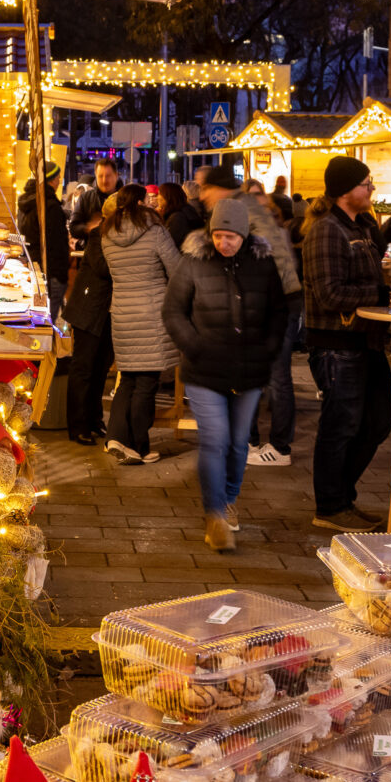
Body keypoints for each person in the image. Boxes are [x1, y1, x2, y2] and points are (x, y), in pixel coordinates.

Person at [165, 196, 288, 551]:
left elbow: (279, 312)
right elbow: (174, 311)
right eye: (218, 236)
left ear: (244, 234)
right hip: (204, 369)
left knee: (238, 443)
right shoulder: (194, 263)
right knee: (215, 439)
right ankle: (215, 514)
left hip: (249, 371)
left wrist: (268, 348)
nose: (224, 243)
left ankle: (229, 497)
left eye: (230, 237)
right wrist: (194, 344)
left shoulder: (263, 265)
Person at [303, 156, 391, 532]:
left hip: (365, 340)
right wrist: (380, 292)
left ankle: (343, 496)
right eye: (365, 183)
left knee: (376, 422)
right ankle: (331, 505)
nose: (371, 189)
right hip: (337, 342)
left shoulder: (362, 227)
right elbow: (329, 294)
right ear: (345, 191)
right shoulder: (327, 230)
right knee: (340, 424)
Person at [99, 185, 181, 464]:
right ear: (141, 202)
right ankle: (138, 447)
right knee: (146, 382)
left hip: (122, 313)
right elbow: (176, 270)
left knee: (128, 379)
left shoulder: (107, 235)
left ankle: (116, 438)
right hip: (152, 314)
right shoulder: (155, 231)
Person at [246, 191, 305, 466]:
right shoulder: (267, 231)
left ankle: (279, 447)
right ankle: (255, 441)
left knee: (276, 378)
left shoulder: (264, 234)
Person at [60, 215, 114, 445]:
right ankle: (78, 425)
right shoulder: (97, 236)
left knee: (101, 368)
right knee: (83, 368)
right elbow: (102, 268)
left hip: (108, 314)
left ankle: (94, 420)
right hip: (88, 311)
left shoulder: (115, 238)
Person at [16, 162, 70, 319]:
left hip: (32, 267)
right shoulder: (50, 206)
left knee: (37, 317)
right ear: (51, 180)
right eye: (58, 177)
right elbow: (57, 245)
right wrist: (61, 276)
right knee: (45, 320)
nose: (59, 181)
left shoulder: (27, 202)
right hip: (50, 274)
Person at [168, 165, 238, 246]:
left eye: (206, 188)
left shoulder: (241, 215)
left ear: (222, 188)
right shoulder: (222, 213)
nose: (202, 197)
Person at [68, 156, 124, 249]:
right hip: (94, 253)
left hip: (120, 252)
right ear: (95, 175)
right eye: (100, 176)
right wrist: (88, 228)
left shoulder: (126, 198)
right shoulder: (86, 198)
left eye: (108, 176)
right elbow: (73, 228)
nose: (104, 180)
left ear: (116, 175)